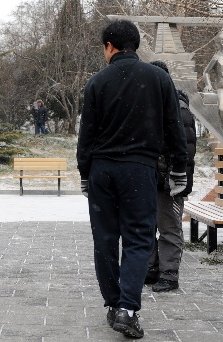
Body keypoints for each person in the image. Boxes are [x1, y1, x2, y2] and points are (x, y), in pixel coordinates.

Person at [76, 20, 188, 339]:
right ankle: (127, 308)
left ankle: (114, 305)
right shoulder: (158, 78)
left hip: (102, 171)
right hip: (139, 169)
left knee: (106, 240)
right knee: (139, 238)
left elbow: (87, 136)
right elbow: (173, 128)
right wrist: (179, 168)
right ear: (134, 46)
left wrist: (86, 174)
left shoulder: (97, 82)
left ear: (110, 46)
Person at [145, 61, 197, 292]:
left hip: (170, 181)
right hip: (152, 178)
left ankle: (169, 274)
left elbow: (185, 149)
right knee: (147, 226)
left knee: (168, 227)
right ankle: (152, 269)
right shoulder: (153, 105)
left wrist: (177, 181)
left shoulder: (178, 108)